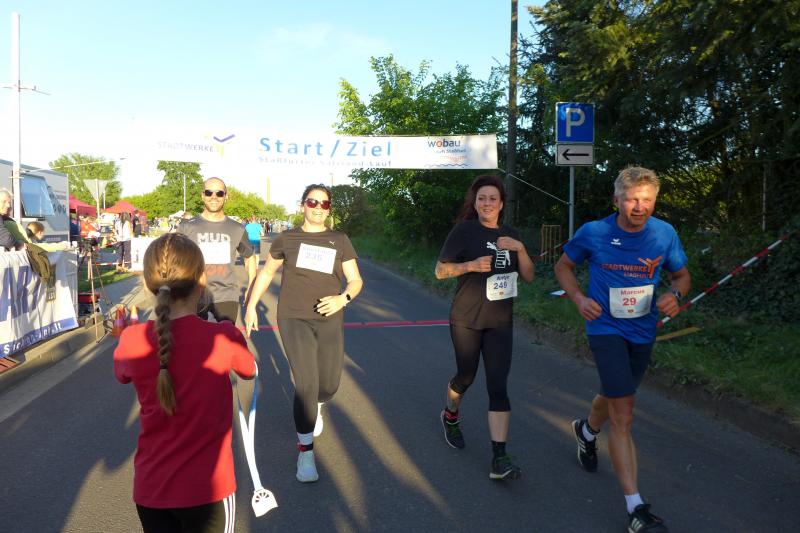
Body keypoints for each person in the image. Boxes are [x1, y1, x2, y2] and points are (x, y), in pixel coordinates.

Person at [554, 166, 690, 533]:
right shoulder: (594, 232)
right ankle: (636, 508)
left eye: (647, 200)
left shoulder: (664, 233)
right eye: (632, 199)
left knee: (618, 393)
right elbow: (564, 267)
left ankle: (586, 431)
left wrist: (675, 295)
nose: (639, 207)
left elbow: (681, 276)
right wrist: (579, 299)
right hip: (605, 328)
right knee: (624, 414)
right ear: (617, 200)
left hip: (643, 331)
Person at [114, 233, 255, 532]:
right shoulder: (223, 337)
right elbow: (249, 370)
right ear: (202, 280)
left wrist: (130, 335)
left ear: (146, 283)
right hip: (208, 490)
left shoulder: (131, 339)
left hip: (152, 489)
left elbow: (122, 373)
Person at [244, 184, 363, 483]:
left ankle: (318, 404)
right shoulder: (288, 238)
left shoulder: (339, 239)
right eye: (313, 202)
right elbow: (267, 272)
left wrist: (343, 299)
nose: (319, 207)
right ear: (303, 205)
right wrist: (251, 306)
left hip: (330, 318)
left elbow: (355, 280)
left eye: (324, 203)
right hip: (293, 317)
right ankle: (306, 452)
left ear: (329, 208)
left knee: (329, 385)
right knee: (306, 383)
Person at [434, 174, 535, 480]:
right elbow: (440, 271)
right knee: (466, 376)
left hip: (500, 321)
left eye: (493, 198)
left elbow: (529, 276)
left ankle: (499, 457)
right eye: (482, 199)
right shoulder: (464, 231)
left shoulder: (511, 234)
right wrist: (470, 266)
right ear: (475, 203)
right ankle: (451, 415)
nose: (487, 203)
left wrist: (520, 248)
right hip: (466, 318)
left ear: (502, 203)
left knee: (498, 386)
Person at [178, 177, 257, 324]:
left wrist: (251, 287)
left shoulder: (237, 228)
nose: (214, 197)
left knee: (223, 339)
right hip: (192, 298)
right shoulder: (186, 227)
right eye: (209, 192)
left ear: (226, 196)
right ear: (202, 195)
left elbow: (249, 257)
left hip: (226, 297)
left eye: (219, 193)